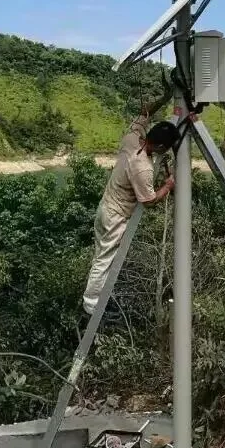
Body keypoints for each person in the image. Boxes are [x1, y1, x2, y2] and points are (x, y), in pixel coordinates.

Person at [82, 86, 177, 318]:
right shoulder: (143, 168)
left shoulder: (131, 138)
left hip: (105, 207)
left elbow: (144, 113)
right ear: (161, 147)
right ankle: (91, 306)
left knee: (100, 255)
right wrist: (167, 186)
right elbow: (149, 200)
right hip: (116, 216)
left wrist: (164, 97)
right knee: (104, 260)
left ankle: (95, 298)